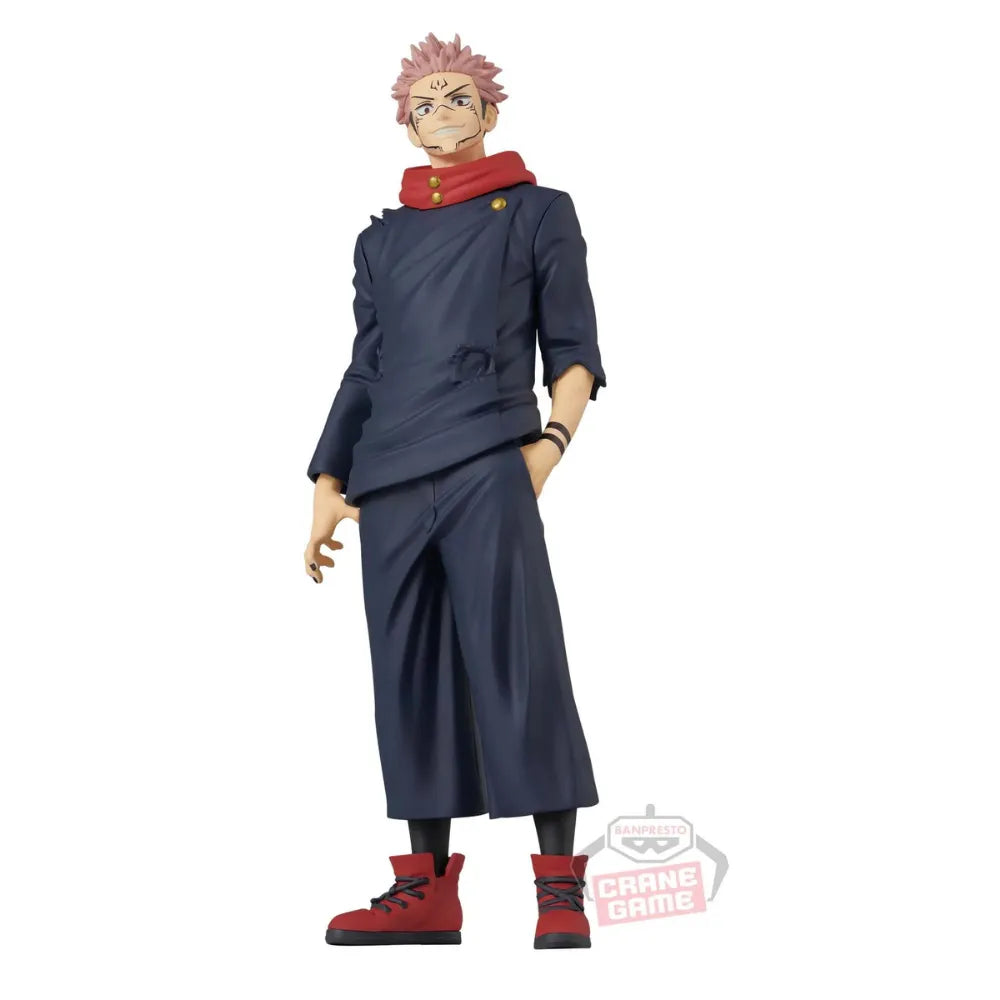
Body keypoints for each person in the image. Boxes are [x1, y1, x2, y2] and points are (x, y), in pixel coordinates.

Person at [303, 32, 607, 950]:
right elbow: (367, 365)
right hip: (389, 474)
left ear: (490, 111)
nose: (440, 114)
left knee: (520, 661)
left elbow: (573, 345)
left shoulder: (537, 211)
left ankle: (559, 887)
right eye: (423, 104)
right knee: (407, 674)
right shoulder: (381, 239)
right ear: (405, 123)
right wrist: (327, 478)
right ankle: (426, 890)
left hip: (487, 456)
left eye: (456, 98)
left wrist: (550, 444)